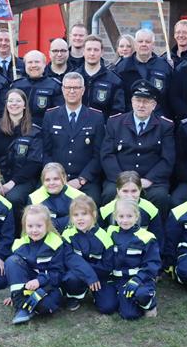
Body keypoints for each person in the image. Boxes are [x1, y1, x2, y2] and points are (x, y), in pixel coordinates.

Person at [101, 80, 174, 220]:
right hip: (120, 178)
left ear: (154, 105)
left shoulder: (165, 126)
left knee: (161, 197)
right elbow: (107, 155)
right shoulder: (115, 123)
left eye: (146, 101)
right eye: (138, 100)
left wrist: (149, 180)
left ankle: (156, 236)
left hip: (151, 181)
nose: (141, 105)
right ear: (132, 101)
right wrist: (122, 180)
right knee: (109, 193)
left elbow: (167, 159)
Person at [42, 72, 106, 204]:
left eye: (76, 88)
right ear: (62, 89)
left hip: (85, 180)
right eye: (68, 87)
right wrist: (56, 178)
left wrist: (81, 179)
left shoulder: (96, 117)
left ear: (83, 90)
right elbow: (45, 152)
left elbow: (98, 155)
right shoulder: (50, 115)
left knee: (92, 205)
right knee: (37, 203)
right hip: (54, 179)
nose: (72, 91)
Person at [0, 89, 43, 228]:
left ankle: (16, 236)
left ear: (25, 105)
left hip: (23, 179)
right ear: (6, 104)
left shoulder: (35, 131)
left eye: (18, 100)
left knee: (13, 198)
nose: (14, 104)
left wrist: (12, 183)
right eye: (10, 100)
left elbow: (34, 164)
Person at [5, 204, 67, 324]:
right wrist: (15, 294)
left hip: (49, 285)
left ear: (47, 225)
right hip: (28, 286)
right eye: (30, 226)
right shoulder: (19, 244)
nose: (34, 230)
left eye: (39, 226)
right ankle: (21, 305)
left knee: (46, 306)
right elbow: (17, 273)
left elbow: (58, 273)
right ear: (24, 226)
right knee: (11, 261)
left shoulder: (56, 243)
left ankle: (30, 304)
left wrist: (39, 281)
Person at [60, 195, 116, 313]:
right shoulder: (67, 234)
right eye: (76, 215)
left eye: (84, 214)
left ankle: (97, 294)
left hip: (100, 276)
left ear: (94, 214)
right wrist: (88, 275)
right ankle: (75, 295)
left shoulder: (104, 237)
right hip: (78, 274)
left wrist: (91, 276)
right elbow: (69, 258)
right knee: (70, 278)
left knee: (108, 307)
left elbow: (107, 267)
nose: (80, 218)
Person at [107, 198, 160, 319]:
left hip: (140, 279)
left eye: (129, 216)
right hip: (118, 280)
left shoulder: (147, 237)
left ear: (136, 216)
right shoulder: (110, 232)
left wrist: (138, 279)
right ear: (115, 216)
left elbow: (153, 264)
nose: (125, 220)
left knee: (130, 315)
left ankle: (149, 303)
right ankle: (122, 297)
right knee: (108, 307)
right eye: (121, 216)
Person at [115, 28, 173, 118]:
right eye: (140, 41)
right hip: (130, 120)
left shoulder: (164, 66)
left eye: (147, 42)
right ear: (135, 44)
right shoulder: (122, 67)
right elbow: (119, 98)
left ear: (153, 45)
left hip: (158, 120)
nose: (144, 44)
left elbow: (170, 96)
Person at [98, 171, 164, 249]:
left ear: (140, 190)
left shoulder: (151, 210)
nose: (129, 195)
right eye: (125, 191)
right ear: (118, 191)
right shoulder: (106, 211)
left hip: (141, 253)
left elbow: (158, 240)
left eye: (134, 191)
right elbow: (99, 239)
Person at [77, 34, 126, 117]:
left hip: (103, 128)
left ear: (102, 52)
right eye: (89, 49)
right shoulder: (74, 77)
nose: (92, 53)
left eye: (96, 50)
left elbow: (117, 113)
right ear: (83, 51)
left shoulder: (114, 80)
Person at [11, 50, 64, 126]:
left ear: (44, 64)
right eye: (30, 62)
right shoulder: (16, 85)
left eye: (37, 62)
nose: (33, 65)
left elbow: (59, 114)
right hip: (18, 129)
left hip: (44, 131)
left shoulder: (54, 86)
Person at [27, 163, 84, 233]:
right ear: (42, 181)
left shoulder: (79, 197)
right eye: (47, 180)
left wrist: (53, 222)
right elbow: (33, 226)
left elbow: (84, 222)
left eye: (56, 179)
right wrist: (69, 219)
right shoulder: (34, 198)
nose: (52, 183)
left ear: (64, 178)